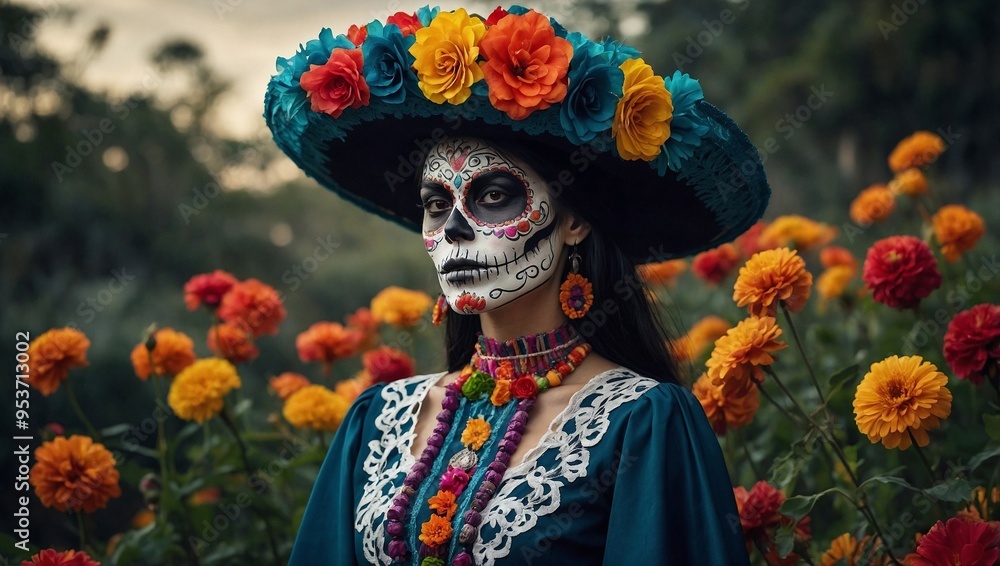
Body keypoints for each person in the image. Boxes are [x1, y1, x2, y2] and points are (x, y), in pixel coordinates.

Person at [264, 6, 769, 565]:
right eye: (436, 205)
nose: (453, 231)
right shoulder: (376, 419)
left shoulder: (641, 423)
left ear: (573, 220)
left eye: (493, 196)